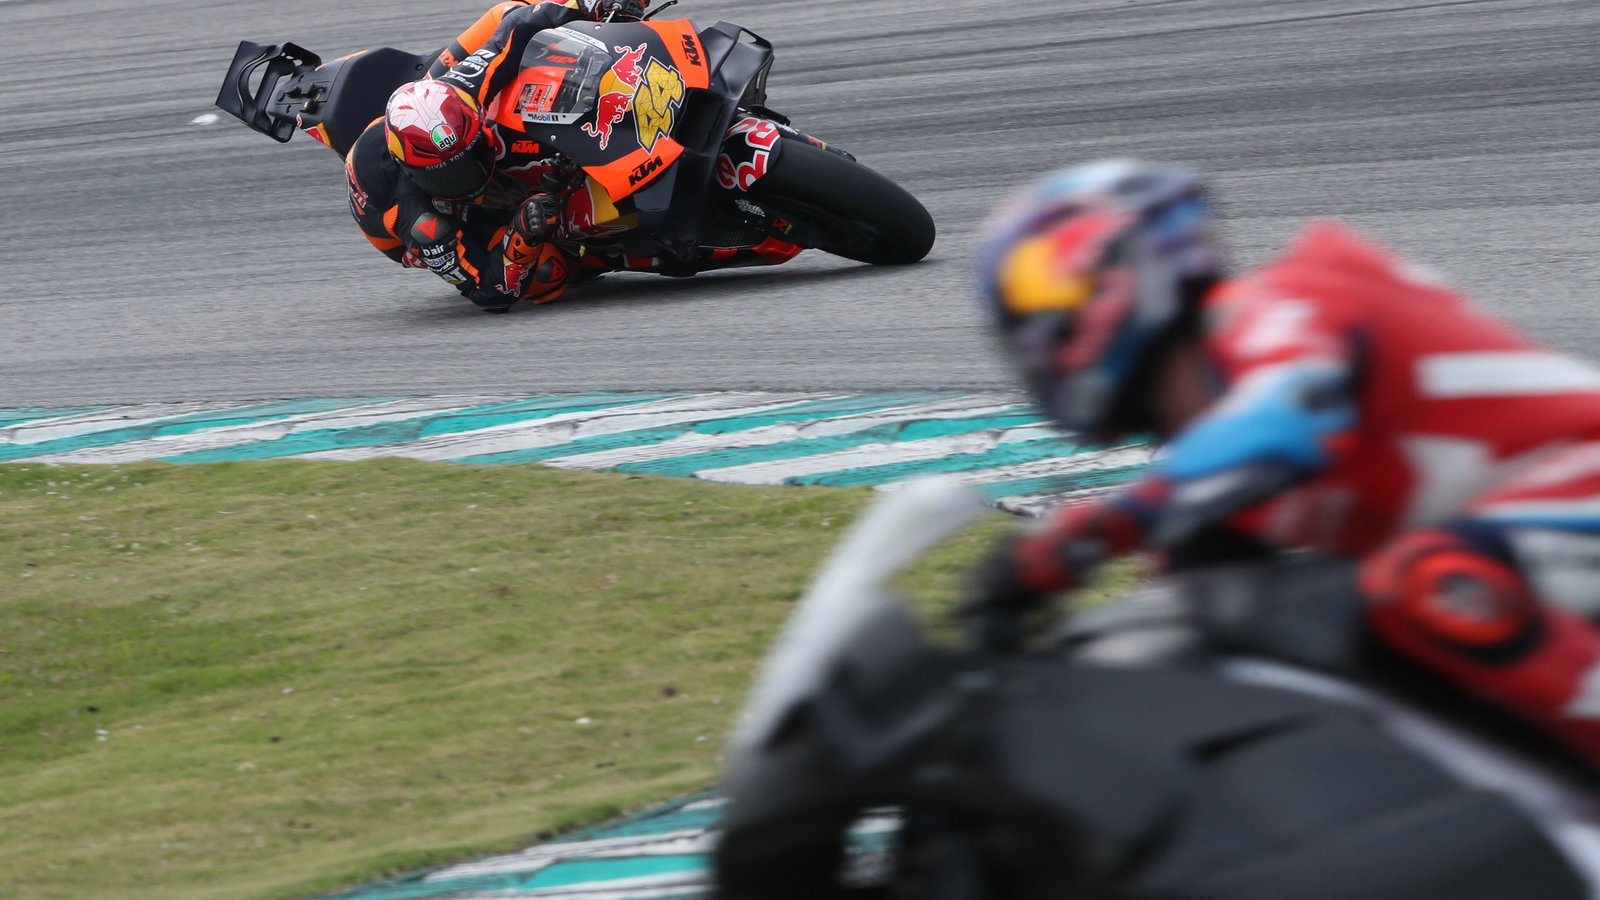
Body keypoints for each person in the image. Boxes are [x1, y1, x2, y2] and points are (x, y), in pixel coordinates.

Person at [969, 159, 1600, 765]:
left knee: (1428, 578)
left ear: (1125, 262)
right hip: (1534, 544)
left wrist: (1085, 537)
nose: (1033, 323)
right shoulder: (1214, 485)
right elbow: (1191, 639)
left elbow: (1286, 420)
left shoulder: (1278, 304)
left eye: (1045, 281)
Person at [343, 0, 648, 313]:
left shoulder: (462, 89)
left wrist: (590, 4)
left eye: (472, 155)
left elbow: (525, 22)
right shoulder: (424, 225)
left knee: (508, 13)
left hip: (435, 108)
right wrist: (522, 232)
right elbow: (491, 292)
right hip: (424, 221)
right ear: (413, 172)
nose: (470, 175)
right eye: (450, 174)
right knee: (547, 272)